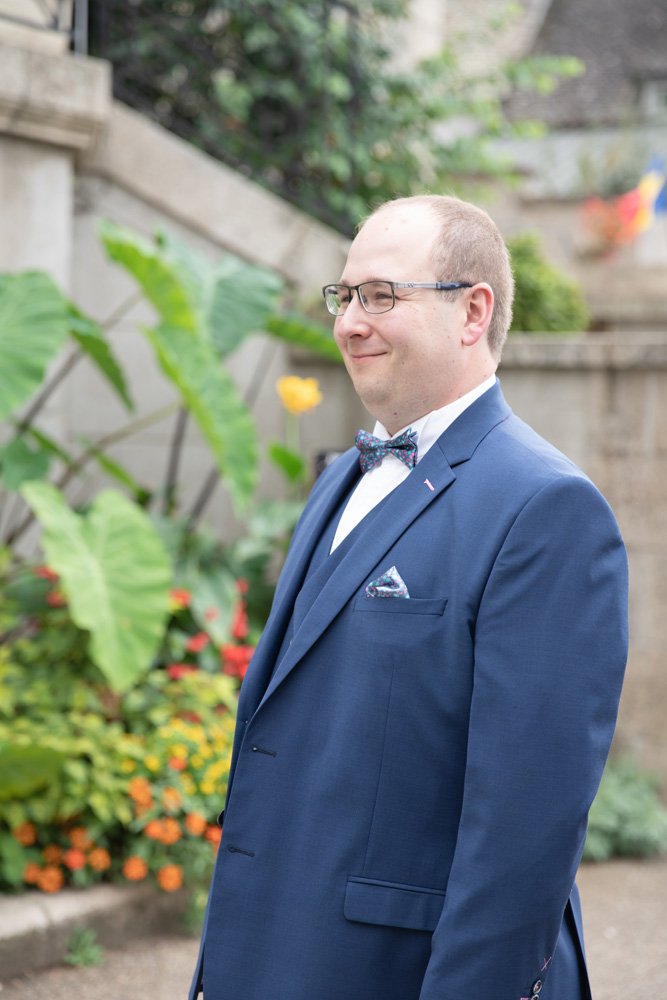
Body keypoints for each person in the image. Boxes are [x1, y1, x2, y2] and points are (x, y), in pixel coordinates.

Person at [189, 194, 628, 1000]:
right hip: (276, 955)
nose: (349, 322)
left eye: (381, 295)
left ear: (473, 312)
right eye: (344, 295)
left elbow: (522, 830)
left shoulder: (546, 509)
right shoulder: (337, 481)